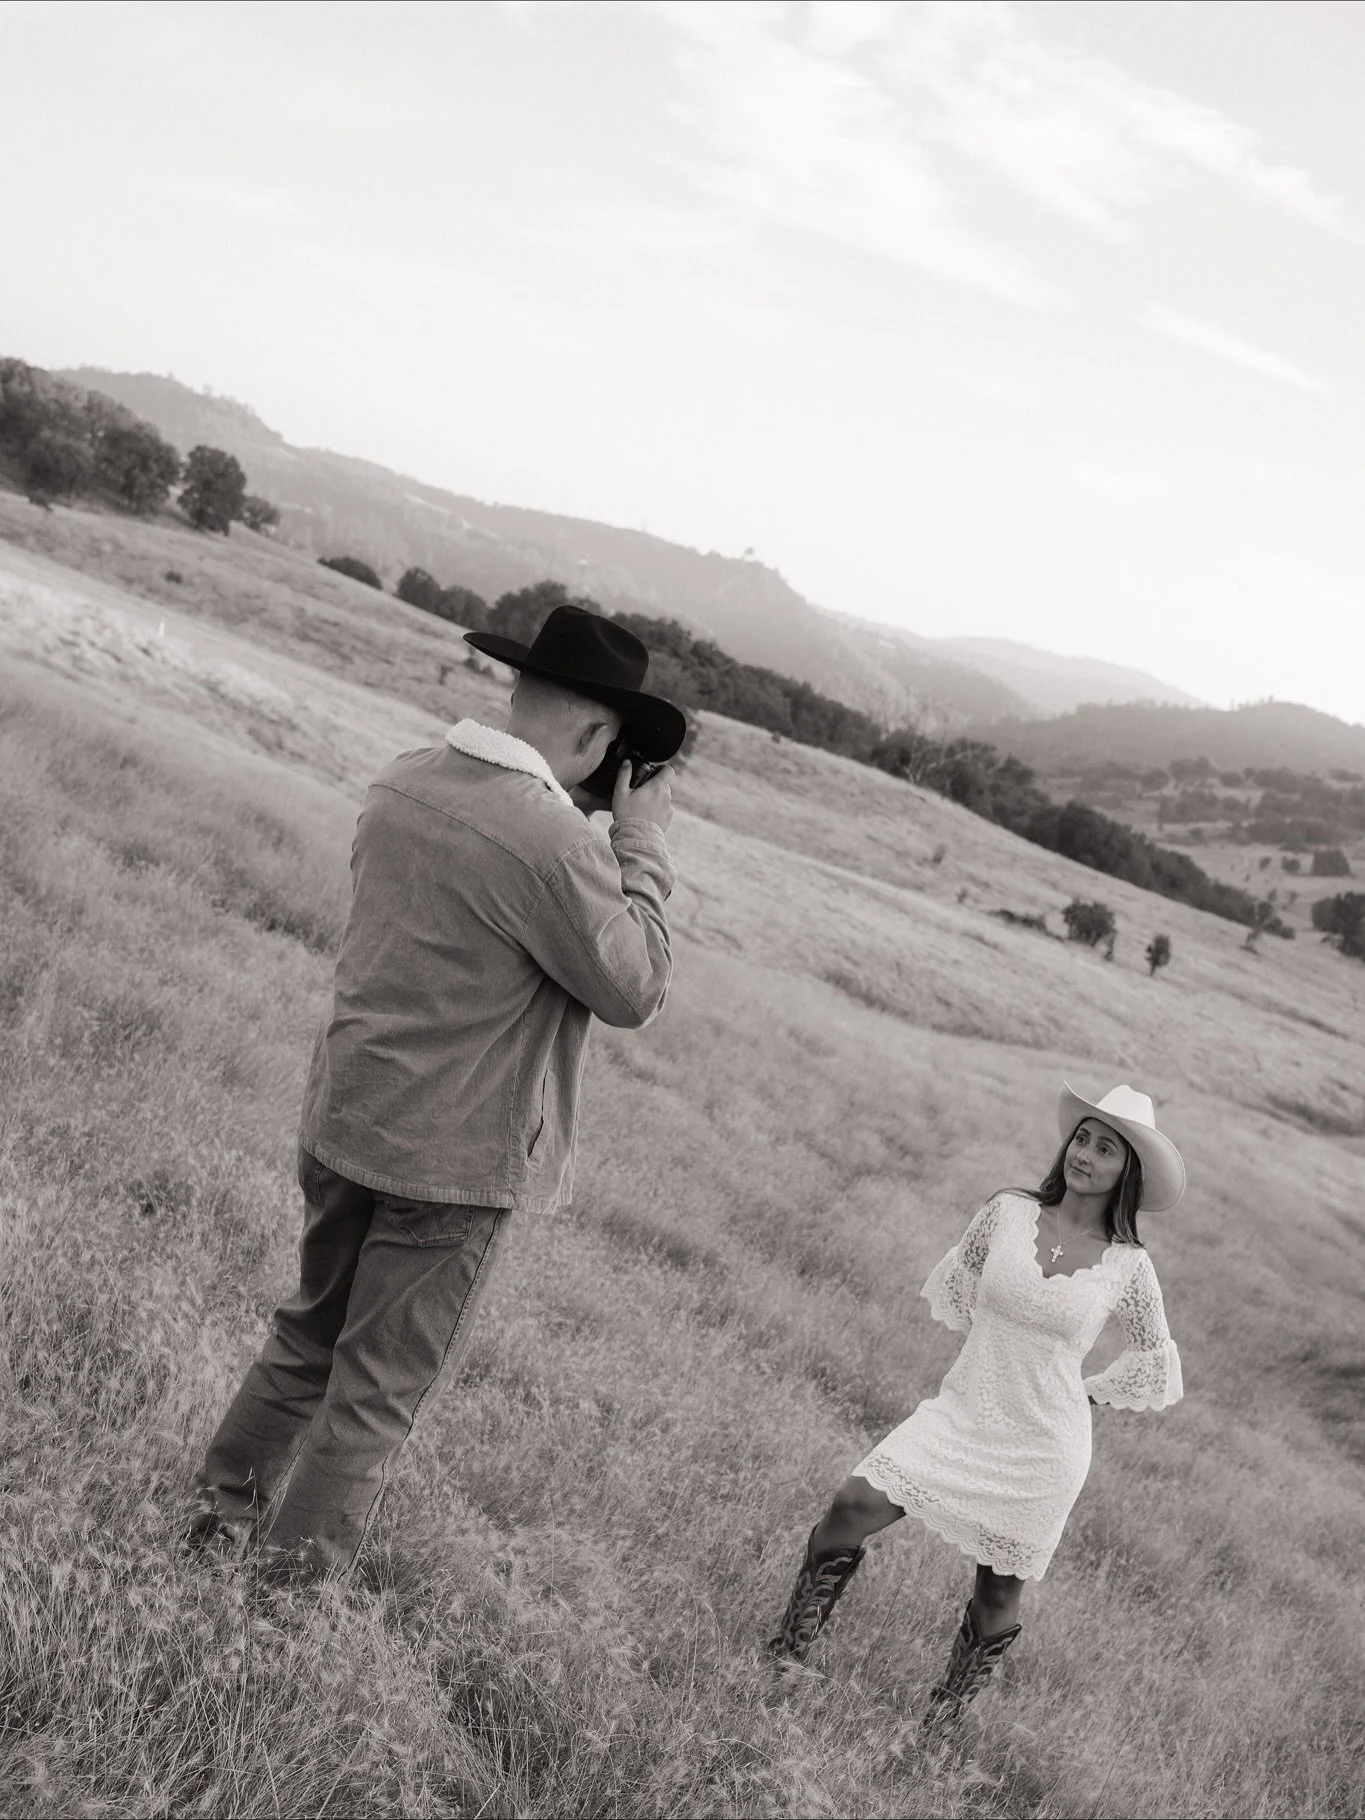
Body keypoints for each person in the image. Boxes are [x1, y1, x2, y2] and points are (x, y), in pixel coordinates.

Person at [186, 603, 686, 1579]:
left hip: (345, 1116)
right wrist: (641, 844)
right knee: (372, 1400)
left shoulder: (404, 778)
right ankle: (281, 1611)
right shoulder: (558, 847)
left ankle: (213, 1528)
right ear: (595, 736)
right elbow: (637, 987)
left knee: (304, 1341)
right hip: (450, 1161)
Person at [767, 1083, 1186, 1726]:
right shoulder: (1009, 1212)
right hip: (962, 1410)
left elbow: (1156, 1359)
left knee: (998, 1585)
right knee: (852, 1504)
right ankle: (785, 1659)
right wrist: (995, 1355)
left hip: (1045, 1448)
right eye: (1082, 1138)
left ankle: (941, 1724)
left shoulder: (1129, 1267)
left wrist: (1088, 1391)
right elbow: (962, 1284)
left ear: (1126, 1171)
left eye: (1106, 1148)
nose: (1086, 1155)